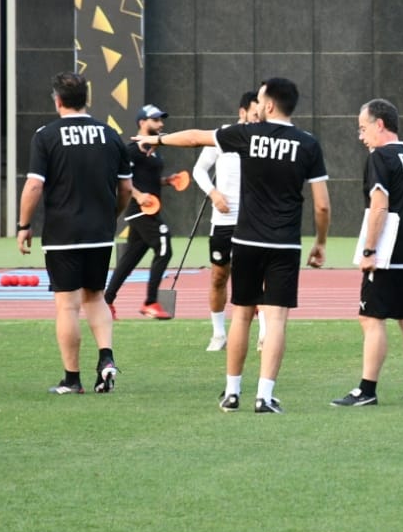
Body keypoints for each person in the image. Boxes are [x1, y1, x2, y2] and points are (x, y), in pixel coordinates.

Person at [136, 77, 329, 413]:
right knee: (276, 319)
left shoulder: (246, 134)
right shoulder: (308, 144)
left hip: (246, 239)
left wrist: (157, 139)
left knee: (241, 314)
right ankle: (264, 397)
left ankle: (232, 393)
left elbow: (195, 138)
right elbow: (322, 206)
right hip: (284, 244)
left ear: (269, 105)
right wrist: (321, 243)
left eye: (261, 99)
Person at [17, 73, 133, 394]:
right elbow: (126, 188)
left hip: (63, 233)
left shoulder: (46, 136)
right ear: (87, 99)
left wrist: (24, 225)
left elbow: (34, 185)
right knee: (95, 296)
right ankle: (106, 358)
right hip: (100, 231)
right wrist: (112, 215)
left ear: (57, 100)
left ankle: (72, 379)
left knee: (67, 305)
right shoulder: (110, 135)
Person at [333, 98, 403, 408]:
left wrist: (369, 250)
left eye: (363, 128)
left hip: (390, 251)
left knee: (370, 318)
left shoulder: (380, 157)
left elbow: (379, 206)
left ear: (380, 124)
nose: (361, 136)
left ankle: (367, 390)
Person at [190, 90, 262, 351]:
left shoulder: (263, 140)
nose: (258, 119)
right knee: (219, 276)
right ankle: (219, 334)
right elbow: (199, 170)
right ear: (242, 112)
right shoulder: (223, 136)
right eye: (254, 113)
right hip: (223, 219)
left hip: (254, 220)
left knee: (257, 277)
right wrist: (213, 193)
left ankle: (264, 333)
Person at [103, 104, 178, 320]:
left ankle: (106, 301)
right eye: (156, 120)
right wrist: (137, 195)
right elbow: (120, 179)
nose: (161, 124)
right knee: (164, 247)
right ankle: (150, 302)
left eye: (161, 120)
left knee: (129, 260)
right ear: (142, 123)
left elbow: (147, 179)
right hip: (140, 211)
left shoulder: (153, 151)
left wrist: (166, 181)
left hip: (149, 209)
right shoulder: (132, 150)